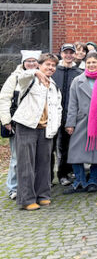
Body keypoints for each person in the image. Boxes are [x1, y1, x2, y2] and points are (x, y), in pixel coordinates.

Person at [11, 53, 62, 210]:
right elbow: (22, 77)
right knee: (26, 163)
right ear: (39, 65)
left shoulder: (54, 86)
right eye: (47, 65)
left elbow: (58, 108)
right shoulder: (30, 79)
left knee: (44, 163)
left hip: (46, 129)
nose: (50, 68)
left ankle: (43, 195)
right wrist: (35, 72)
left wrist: (55, 127)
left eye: (53, 65)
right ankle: (26, 199)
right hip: (27, 125)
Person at [64, 52, 97, 193]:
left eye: (94, 62)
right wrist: (70, 123)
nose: (91, 65)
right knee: (76, 152)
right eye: (89, 63)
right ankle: (79, 180)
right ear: (85, 64)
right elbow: (72, 103)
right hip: (81, 120)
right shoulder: (77, 80)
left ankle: (93, 180)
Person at [0, 50, 41, 201]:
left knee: (33, 157)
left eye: (34, 61)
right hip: (16, 123)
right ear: (23, 63)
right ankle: (13, 187)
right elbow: (4, 98)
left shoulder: (40, 76)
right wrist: (6, 121)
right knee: (17, 157)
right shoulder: (14, 77)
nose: (31, 64)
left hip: (35, 123)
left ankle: (29, 186)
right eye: (28, 61)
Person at [52, 43, 83, 186]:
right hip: (52, 115)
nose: (69, 55)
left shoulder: (79, 73)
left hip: (69, 115)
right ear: (61, 54)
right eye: (66, 52)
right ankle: (47, 177)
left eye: (71, 52)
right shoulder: (53, 71)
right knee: (50, 147)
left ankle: (63, 174)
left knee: (66, 146)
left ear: (75, 54)